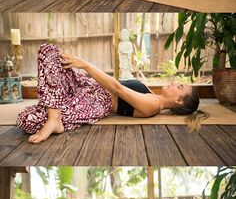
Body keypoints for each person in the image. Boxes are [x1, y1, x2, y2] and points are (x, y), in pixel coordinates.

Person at [15, 43, 204, 144]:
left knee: (26, 119)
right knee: (48, 50)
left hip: (94, 102)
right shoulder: (149, 93)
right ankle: (54, 116)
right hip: (86, 86)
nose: (174, 82)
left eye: (179, 87)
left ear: (179, 101)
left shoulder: (153, 106)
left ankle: (53, 115)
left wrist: (86, 64)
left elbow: (117, 89)